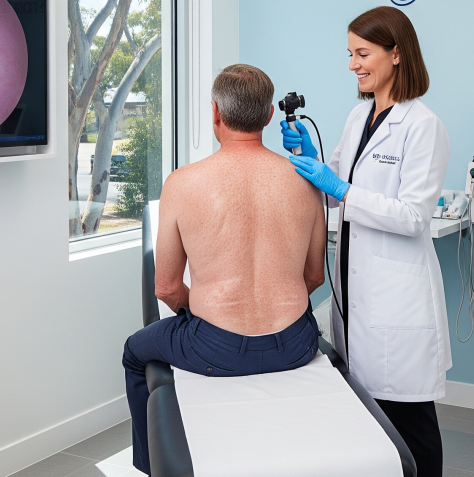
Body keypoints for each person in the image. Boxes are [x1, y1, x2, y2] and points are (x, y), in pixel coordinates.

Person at [123, 64, 326, 475]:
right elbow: (314, 277)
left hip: (214, 348)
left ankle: (148, 468)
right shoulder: (308, 180)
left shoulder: (182, 183)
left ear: (215, 112)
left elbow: (166, 287)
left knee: (134, 351)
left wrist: (205, 313)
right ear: (269, 115)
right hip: (296, 345)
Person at [282, 6, 451, 477]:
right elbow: (333, 192)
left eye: (362, 53)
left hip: (397, 298)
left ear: (396, 54)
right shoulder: (359, 117)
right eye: (350, 54)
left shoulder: (423, 125)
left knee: (411, 423)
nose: (353, 65)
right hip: (356, 291)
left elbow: (413, 217)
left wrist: (340, 188)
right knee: (369, 419)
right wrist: (314, 164)